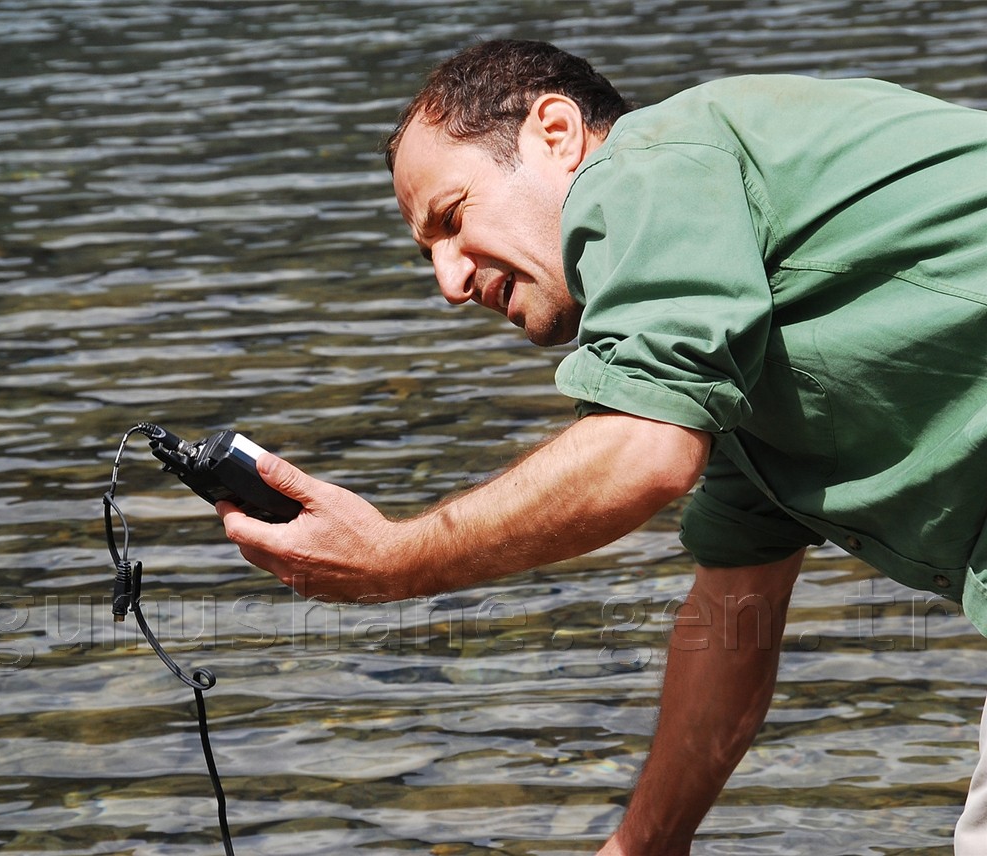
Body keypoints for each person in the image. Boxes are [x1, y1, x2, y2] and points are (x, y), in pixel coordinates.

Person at [218, 39, 987, 854]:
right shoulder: (728, 355)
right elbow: (735, 614)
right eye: (428, 254)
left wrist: (393, 560)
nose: (449, 283)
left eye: (452, 218)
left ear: (556, 133)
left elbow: (643, 452)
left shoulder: (650, 161)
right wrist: (641, 845)